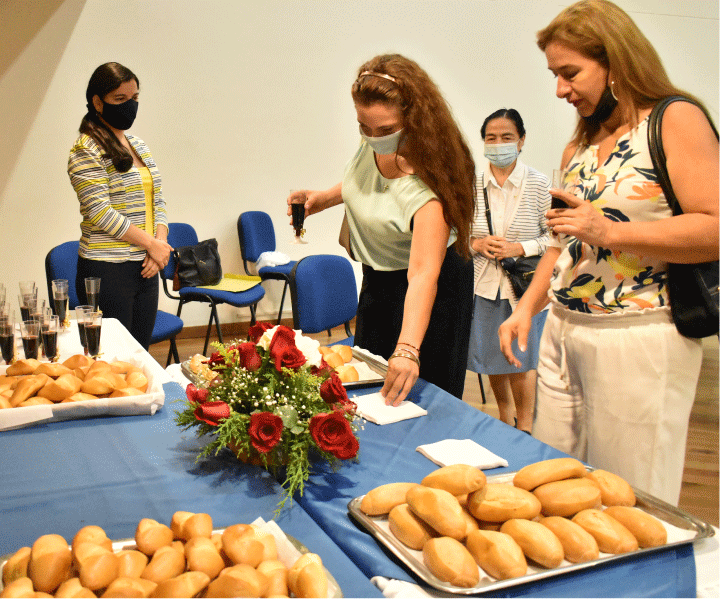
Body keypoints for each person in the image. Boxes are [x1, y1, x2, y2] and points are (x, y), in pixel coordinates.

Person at [498, 0, 719, 505]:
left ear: (616, 62)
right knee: (558, 490)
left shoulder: (673, 119)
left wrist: (610, 231)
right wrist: (526, 308)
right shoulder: (580, 144)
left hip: (638, 337)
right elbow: (562, 241)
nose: (560, 89)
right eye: (554, 74)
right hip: (561, 331)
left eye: (570, 73)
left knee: (628, 498)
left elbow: (715, 228)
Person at [288, 54, 476, 406]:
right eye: (364, 127)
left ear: (414, 117)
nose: (374, 138)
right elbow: (364, 180)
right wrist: (324, 198)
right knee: (368, 381)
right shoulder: (375, 138)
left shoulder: (430, 182)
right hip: (379, 276)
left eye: (386, 130)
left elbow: (423, 275)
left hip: (430, 290)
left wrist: (407, 349)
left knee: (416, 393)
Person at [68, 62, 172, 349]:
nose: (130, 105)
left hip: (146, 266)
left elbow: (158, 198)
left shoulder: (138, 144)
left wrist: (159, 245)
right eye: (120, 99)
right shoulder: (86, 149)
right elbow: (99, 212)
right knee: (113, 361)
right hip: (107, 270)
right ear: (97, 102)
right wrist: (151, 244)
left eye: (135, 98)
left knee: (141, 356)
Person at [467, 109, 550, 434]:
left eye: (506, 138)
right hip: (483, 284)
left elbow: (556, 237)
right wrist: (477, 244)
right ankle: (503, 417)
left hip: (527, 287)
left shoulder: (540, 184)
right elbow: (453, 233)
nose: (498, 144)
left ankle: (525, 425)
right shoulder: (471, 184)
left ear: (522, 140)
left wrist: (521, 248)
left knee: (522, 359)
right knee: (490, 356)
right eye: (491, 138)